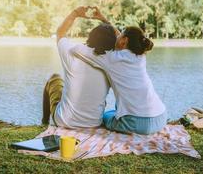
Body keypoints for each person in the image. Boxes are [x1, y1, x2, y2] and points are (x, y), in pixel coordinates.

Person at [72, 7, 167, 135]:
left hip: (138, 124)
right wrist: (103, 19)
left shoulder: (110, 58)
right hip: (160, 117)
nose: (117, 35)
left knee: (105, 116)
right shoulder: (140, 56)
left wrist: (89, 42)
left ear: (124, 40)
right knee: (114, 112)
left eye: (120, 34)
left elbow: (75, 49)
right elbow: (120, 37)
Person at [42, 6, 117, 128]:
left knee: (54, 78)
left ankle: (44, 122)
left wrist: (75, 13)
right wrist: (104, 19)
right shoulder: (113, 61)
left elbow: (60, 33)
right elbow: (121, 40)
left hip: (64, 121)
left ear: (90, 37)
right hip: (94, 123)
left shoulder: (72, 52)